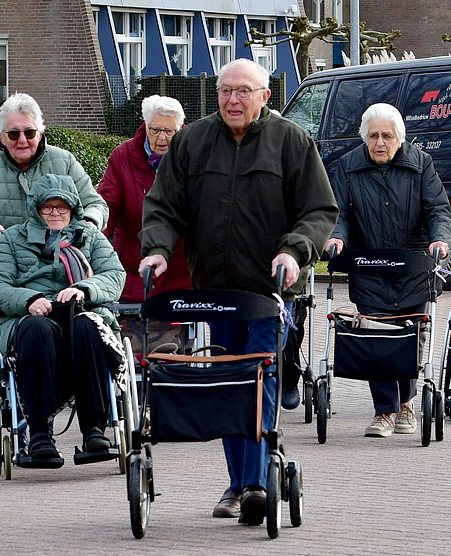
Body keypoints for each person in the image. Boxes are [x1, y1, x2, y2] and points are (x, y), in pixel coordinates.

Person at [138, 59, 338, 525]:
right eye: (225, 90)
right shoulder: (192, 141)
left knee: (260, 375)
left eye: (243, 91)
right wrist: (158, 250)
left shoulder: (291, 141)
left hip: (270, 291)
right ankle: (241, 483)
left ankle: (255, 483)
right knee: (229, 381)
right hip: (216, 291)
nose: (233, 99)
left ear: (264, 96)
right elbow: (164, 205)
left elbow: (318, 209)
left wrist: (294, 250)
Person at [325, 103, 451, 438]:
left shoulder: (421, 163)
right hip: (369, 265)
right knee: (376, 336)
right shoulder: (348, 165)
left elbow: (438, 209)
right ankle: (384, 411)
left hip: (412, 267)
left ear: (400, 138)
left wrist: (440, 239)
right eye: (373, 136)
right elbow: (339, 212)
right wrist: (337, 236)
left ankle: (407, 405)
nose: (379, 142)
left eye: (386, 136)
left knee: (410, 335)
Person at [0, 174, 124, 460]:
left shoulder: (90, 237)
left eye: (62, 206)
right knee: (36, 328)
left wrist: (84, 289)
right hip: (29, 318)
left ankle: (94, 429)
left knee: (87, 325)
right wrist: (28, 300)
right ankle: (39, 433)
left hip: (80, 311)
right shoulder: (12, 239)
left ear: (73, 208)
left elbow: (115, 275)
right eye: (48, 207)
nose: (55, 213)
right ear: (36, 209)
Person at [0, 92, 108, 274]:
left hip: (60, 274)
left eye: (29, 133)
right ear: (1, 137)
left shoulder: (65, 161)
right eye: (14, 134)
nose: (22, 140)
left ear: (40, 133)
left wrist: (89, 223)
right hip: (2, 273)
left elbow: (96, 205)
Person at [98, 94, 192, 352]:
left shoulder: (193, 156)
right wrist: (93, 240)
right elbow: (107, 205)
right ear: (145, 126)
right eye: (155, 130)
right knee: (131, 347)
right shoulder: (123, 156)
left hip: (179, 269)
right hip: (132, 267)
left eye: (169, 132)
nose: (161, 138)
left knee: (175, 348)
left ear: (180, 129)